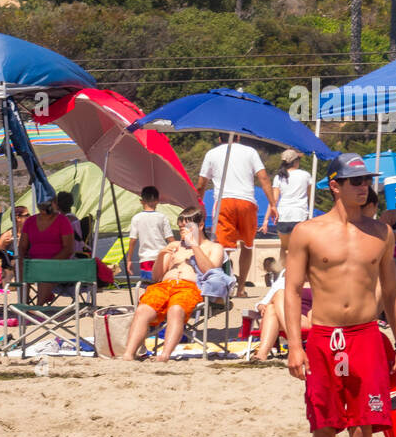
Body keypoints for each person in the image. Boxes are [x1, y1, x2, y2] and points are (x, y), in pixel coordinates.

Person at [284, 153, 396, 437]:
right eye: (354, 180)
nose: (363, 186)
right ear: (334, 185)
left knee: (363, 433)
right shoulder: (307, 231)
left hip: (366, 337)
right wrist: (293, 346)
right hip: (323, 338)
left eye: (366, 180)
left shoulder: (381, 233)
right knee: (323, 431)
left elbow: (391, 291)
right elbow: (291, 290)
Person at [122, 210, 224, 362]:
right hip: (164, 285)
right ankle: (128, 354)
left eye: (187, 226)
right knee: (143, 309)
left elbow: (210, 272)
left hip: (190, 287)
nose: (182, 230)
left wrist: (194, 246)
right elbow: (156, 277)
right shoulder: (174, 245)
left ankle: (164, 355)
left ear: (200, 225)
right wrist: (162, 255)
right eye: (180, 226)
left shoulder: (214, 248)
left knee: (176, 310)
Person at [197, 136, 278, 298]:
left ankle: (222, 290)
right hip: (247, 202)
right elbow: (263, 178)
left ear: (219, 138)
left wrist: (198, 205)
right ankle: (241, 289)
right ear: (239, 137)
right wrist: (273, 204)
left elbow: (201, 185)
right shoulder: (250, 152)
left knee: (223, 248)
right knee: (247, 246)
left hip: (224, 202)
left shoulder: (212, 153)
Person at [17, 197, 75, 306]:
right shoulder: (30, 221)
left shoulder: (62, 221)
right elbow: (22, 247)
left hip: (58, 263)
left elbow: (68, 249)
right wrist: (21, 259)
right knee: (20, 265)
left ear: (55, 204)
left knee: (45, 267)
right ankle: (23, 303)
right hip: (34, 263)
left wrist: (50, 262)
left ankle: (38, 307)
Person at [251, 270, 313, 363]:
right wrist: (264, 306)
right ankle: (262, 354)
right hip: (280, 319)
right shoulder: (284, 281)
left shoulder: (321, 283)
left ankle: (262, 354)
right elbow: (262, 304)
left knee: (276, 299)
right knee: (272, 306)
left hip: (305, 320)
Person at [264, 150, 312, 266]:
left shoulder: (279, 177)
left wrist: (266, 220)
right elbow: (310, 196)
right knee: (300, 249)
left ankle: (282, 275)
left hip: (283, 216)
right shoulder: (305, 175)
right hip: (300, 215)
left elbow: (273, 201)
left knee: (284, 247)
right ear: (295, 161)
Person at [126, 187, 176, 284]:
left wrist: (129, 259)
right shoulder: (162, 217)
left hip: (146, 258)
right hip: (163, 257)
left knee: (149, 285)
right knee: (162, 284)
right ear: (158, 201)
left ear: (141, 201)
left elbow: (133, 240)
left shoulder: (136, 218)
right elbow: (170, 239)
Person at [0, 205, 28, 284]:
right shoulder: (7, 236)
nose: (30, 217)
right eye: (27, 215)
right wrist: (4, 247)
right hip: (11, 271)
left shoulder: (30, 233)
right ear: (18, 218)